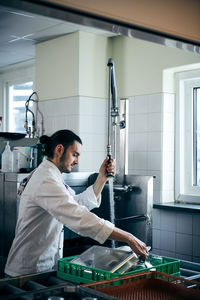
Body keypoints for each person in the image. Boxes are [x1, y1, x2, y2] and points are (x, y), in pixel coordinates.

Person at [5, 129, 148, 277]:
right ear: (59, 149)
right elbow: (80, 217)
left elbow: (76, 203)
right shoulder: (45, 179)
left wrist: (101, 178)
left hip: (41, 267)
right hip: (27, 270)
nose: (77, 161)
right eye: (75, 155)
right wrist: (128, 238)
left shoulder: (52, 176)